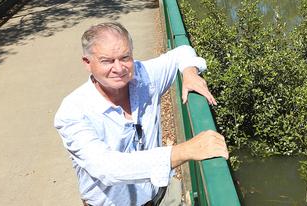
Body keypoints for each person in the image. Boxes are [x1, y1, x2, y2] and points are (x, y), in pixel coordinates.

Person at [54, 22, 228, 206]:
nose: (119, 68)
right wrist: (185, 150)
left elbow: (183, 51)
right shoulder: (73, 112)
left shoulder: (143, 76)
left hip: (158, 196)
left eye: (125, 57)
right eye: (107, 61)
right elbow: (107, 168)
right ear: (87, 63)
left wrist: (190, 72)